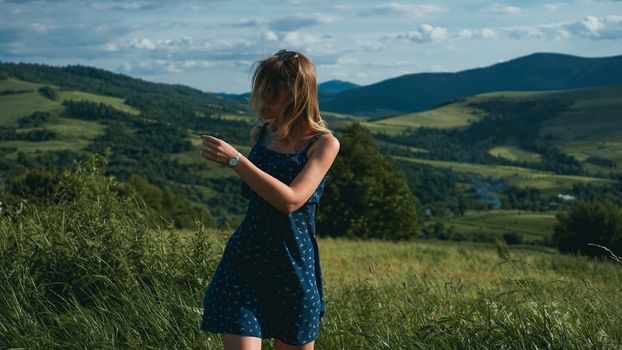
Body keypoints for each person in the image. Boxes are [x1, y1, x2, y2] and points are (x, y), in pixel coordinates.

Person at [199, 49, 340, 350]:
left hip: (292, 265)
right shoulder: (260, 134)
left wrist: (236, 161)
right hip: (245, 260)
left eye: (267, 93)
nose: (258, 100)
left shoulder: (323, 144)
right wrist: (239, 161)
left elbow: (291, 201)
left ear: (292, 94)